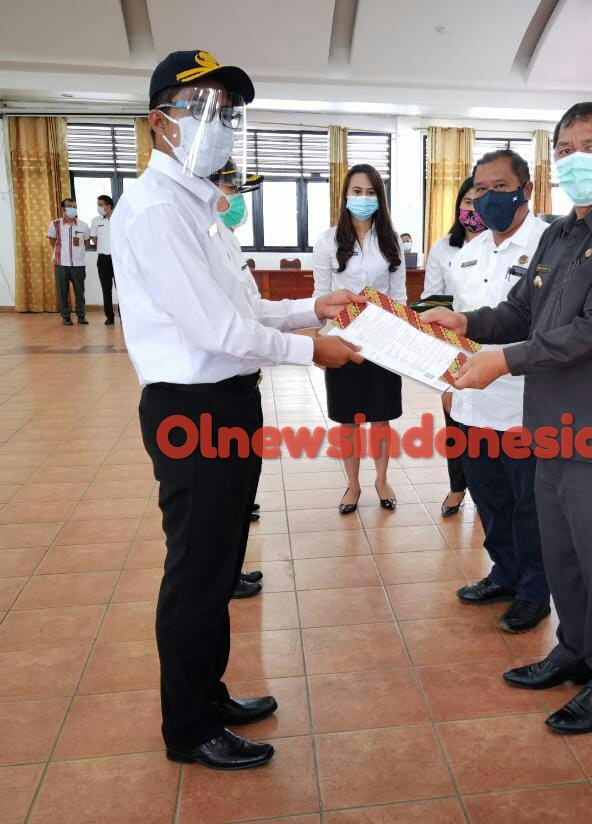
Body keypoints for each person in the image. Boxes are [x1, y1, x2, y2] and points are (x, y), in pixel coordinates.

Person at [112, 49, 365, 771]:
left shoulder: (199, 205)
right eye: (204, 109)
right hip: (191, 410)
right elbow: (217, 333)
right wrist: (315, 351)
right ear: (162, 122)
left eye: (229, 111)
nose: (220, 124)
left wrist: (310, 308)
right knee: (197, 573)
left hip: (225, 403)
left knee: (220, 565)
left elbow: (245, 308)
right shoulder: (158, 209)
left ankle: (209, 692)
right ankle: (188, 728)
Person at [424, 102, 592, 735]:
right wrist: (467, 324)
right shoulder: (560, 234)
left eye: (590, 146)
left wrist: (500, 363)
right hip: (553, 425)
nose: (573, 159)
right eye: (563, 148)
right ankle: (575, 651)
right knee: (565, 554)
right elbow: (519, 313)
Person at [449, 150, 550, 634]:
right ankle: (505, 573)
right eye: (481, 189)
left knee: (529, 505)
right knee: (490, 499)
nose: (490, 197)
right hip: (472, 402)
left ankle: (535, 589)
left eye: (500, 186)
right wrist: (445, 383)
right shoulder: (468, 251)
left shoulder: (550, 244)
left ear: (525, 190)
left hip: (525, 405)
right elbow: (459, 328)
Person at [313, 164, 406, 513]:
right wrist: (324, 343)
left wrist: (400, 337)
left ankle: (382, 480)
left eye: (370, 192)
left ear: (380, 198)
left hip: (384, 340)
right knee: (348, 419)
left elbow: (398, 295)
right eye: (356, 191)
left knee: (381, 418)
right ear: (345, 196)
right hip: (344, 340)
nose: (363, 198)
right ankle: (352, 485)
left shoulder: (391, 239)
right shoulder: (328, 240)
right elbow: (320, 295)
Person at [209, 160, 267, 600]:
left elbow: (256, 311)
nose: (237, 196)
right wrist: (312, 349)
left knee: (237, 496)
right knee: (216, 504)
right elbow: (227, 331)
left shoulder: (222, 236)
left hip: (239, 392)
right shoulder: (192, 237)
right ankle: (219, 578)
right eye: (232, 185)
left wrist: (316, 307)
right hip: (204, 400)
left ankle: (229, 572)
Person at [423, 176, 486, 517]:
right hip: (451, 347)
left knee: (486, 426)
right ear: (458, 206)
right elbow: (431, 300)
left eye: (479, 202)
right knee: (454, 424)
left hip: (492, 347)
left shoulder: (499, 244)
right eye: (467, 202)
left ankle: (484, 489)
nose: (472, 209)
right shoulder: (443, 247)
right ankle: (457, 487)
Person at [47, 198, 90, 325]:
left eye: (74, 206)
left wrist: (77, 253)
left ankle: (81, 316)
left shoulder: (83, 225)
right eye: (70, 206)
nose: (73, 208)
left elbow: (86, 242)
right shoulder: (55, 224)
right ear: (63, 209)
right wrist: (62, 252)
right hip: (61, 264)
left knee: (80, 292)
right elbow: (52, 241)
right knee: (62, 292)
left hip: (78, 264)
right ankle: (65, 317)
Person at [91, 195, 116, 324]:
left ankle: (125, 317)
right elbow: (94, 239)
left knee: (122, 289)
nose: (98, 207)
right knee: (106, 289)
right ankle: (110, 317)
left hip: (118, 260)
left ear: (108, 206)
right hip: (103, 259)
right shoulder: (95, 221)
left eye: (100, 205)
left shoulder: (119, 218)